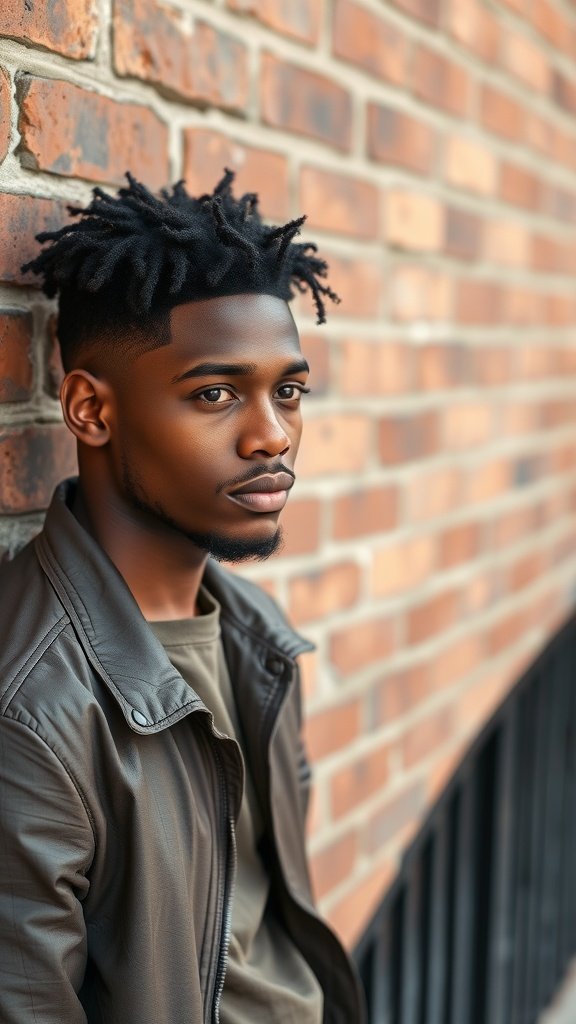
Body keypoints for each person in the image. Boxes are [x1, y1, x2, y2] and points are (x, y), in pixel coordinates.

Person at [0, 170, 366, 1023]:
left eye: (288, 391)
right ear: (92, 411)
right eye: (215, 394)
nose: (272, 434)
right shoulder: (31, 711)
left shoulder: (256, 633)